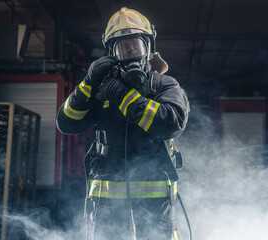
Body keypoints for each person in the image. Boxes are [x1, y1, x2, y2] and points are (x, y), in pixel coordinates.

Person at [57, 7, 189, 240]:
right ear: (111, 53)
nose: (131, 52)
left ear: (149, 48)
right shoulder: (98, 91)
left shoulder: (165, 86)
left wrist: (122, 96)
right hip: (106, 212)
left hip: (155, 212)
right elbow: (67, 123)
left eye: (136, 45)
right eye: (123, 47)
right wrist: (88, 84)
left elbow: (172, 123)